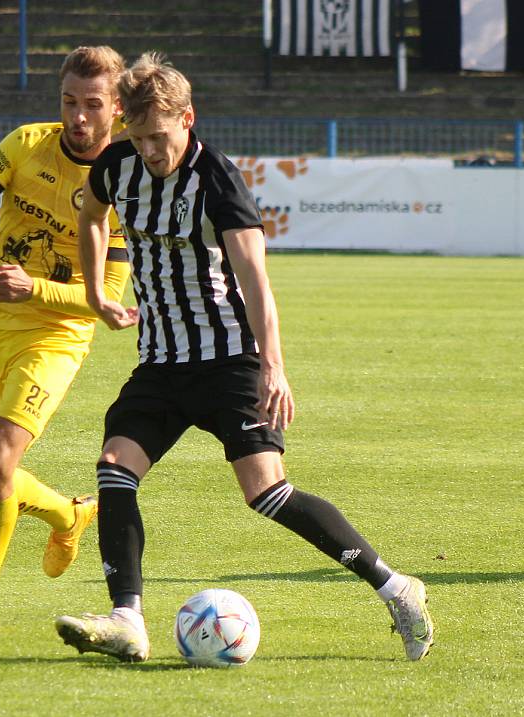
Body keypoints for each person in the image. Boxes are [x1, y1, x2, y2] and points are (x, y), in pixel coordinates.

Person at [54, 52, 435, 663]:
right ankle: (127, 619)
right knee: (114, 467)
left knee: (265, 493)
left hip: (231, 357)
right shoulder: (117, 166)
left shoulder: (217, 180)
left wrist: (273, 366)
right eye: (139, 136)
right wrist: (99, 291)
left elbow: (255, 279)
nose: (151, 149)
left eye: (161, 136)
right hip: (161, 362)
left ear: (188, 119)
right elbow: (93, 216)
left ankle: (396, 588)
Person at [0, 45, 129, 637]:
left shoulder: (124, 177)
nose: (78, 116)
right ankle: (67, 512)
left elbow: (110, 297)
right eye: (69, 101)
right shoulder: (26, 143)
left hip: (56, 336)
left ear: (117, 109)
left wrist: (34, 289)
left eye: (92, 105)